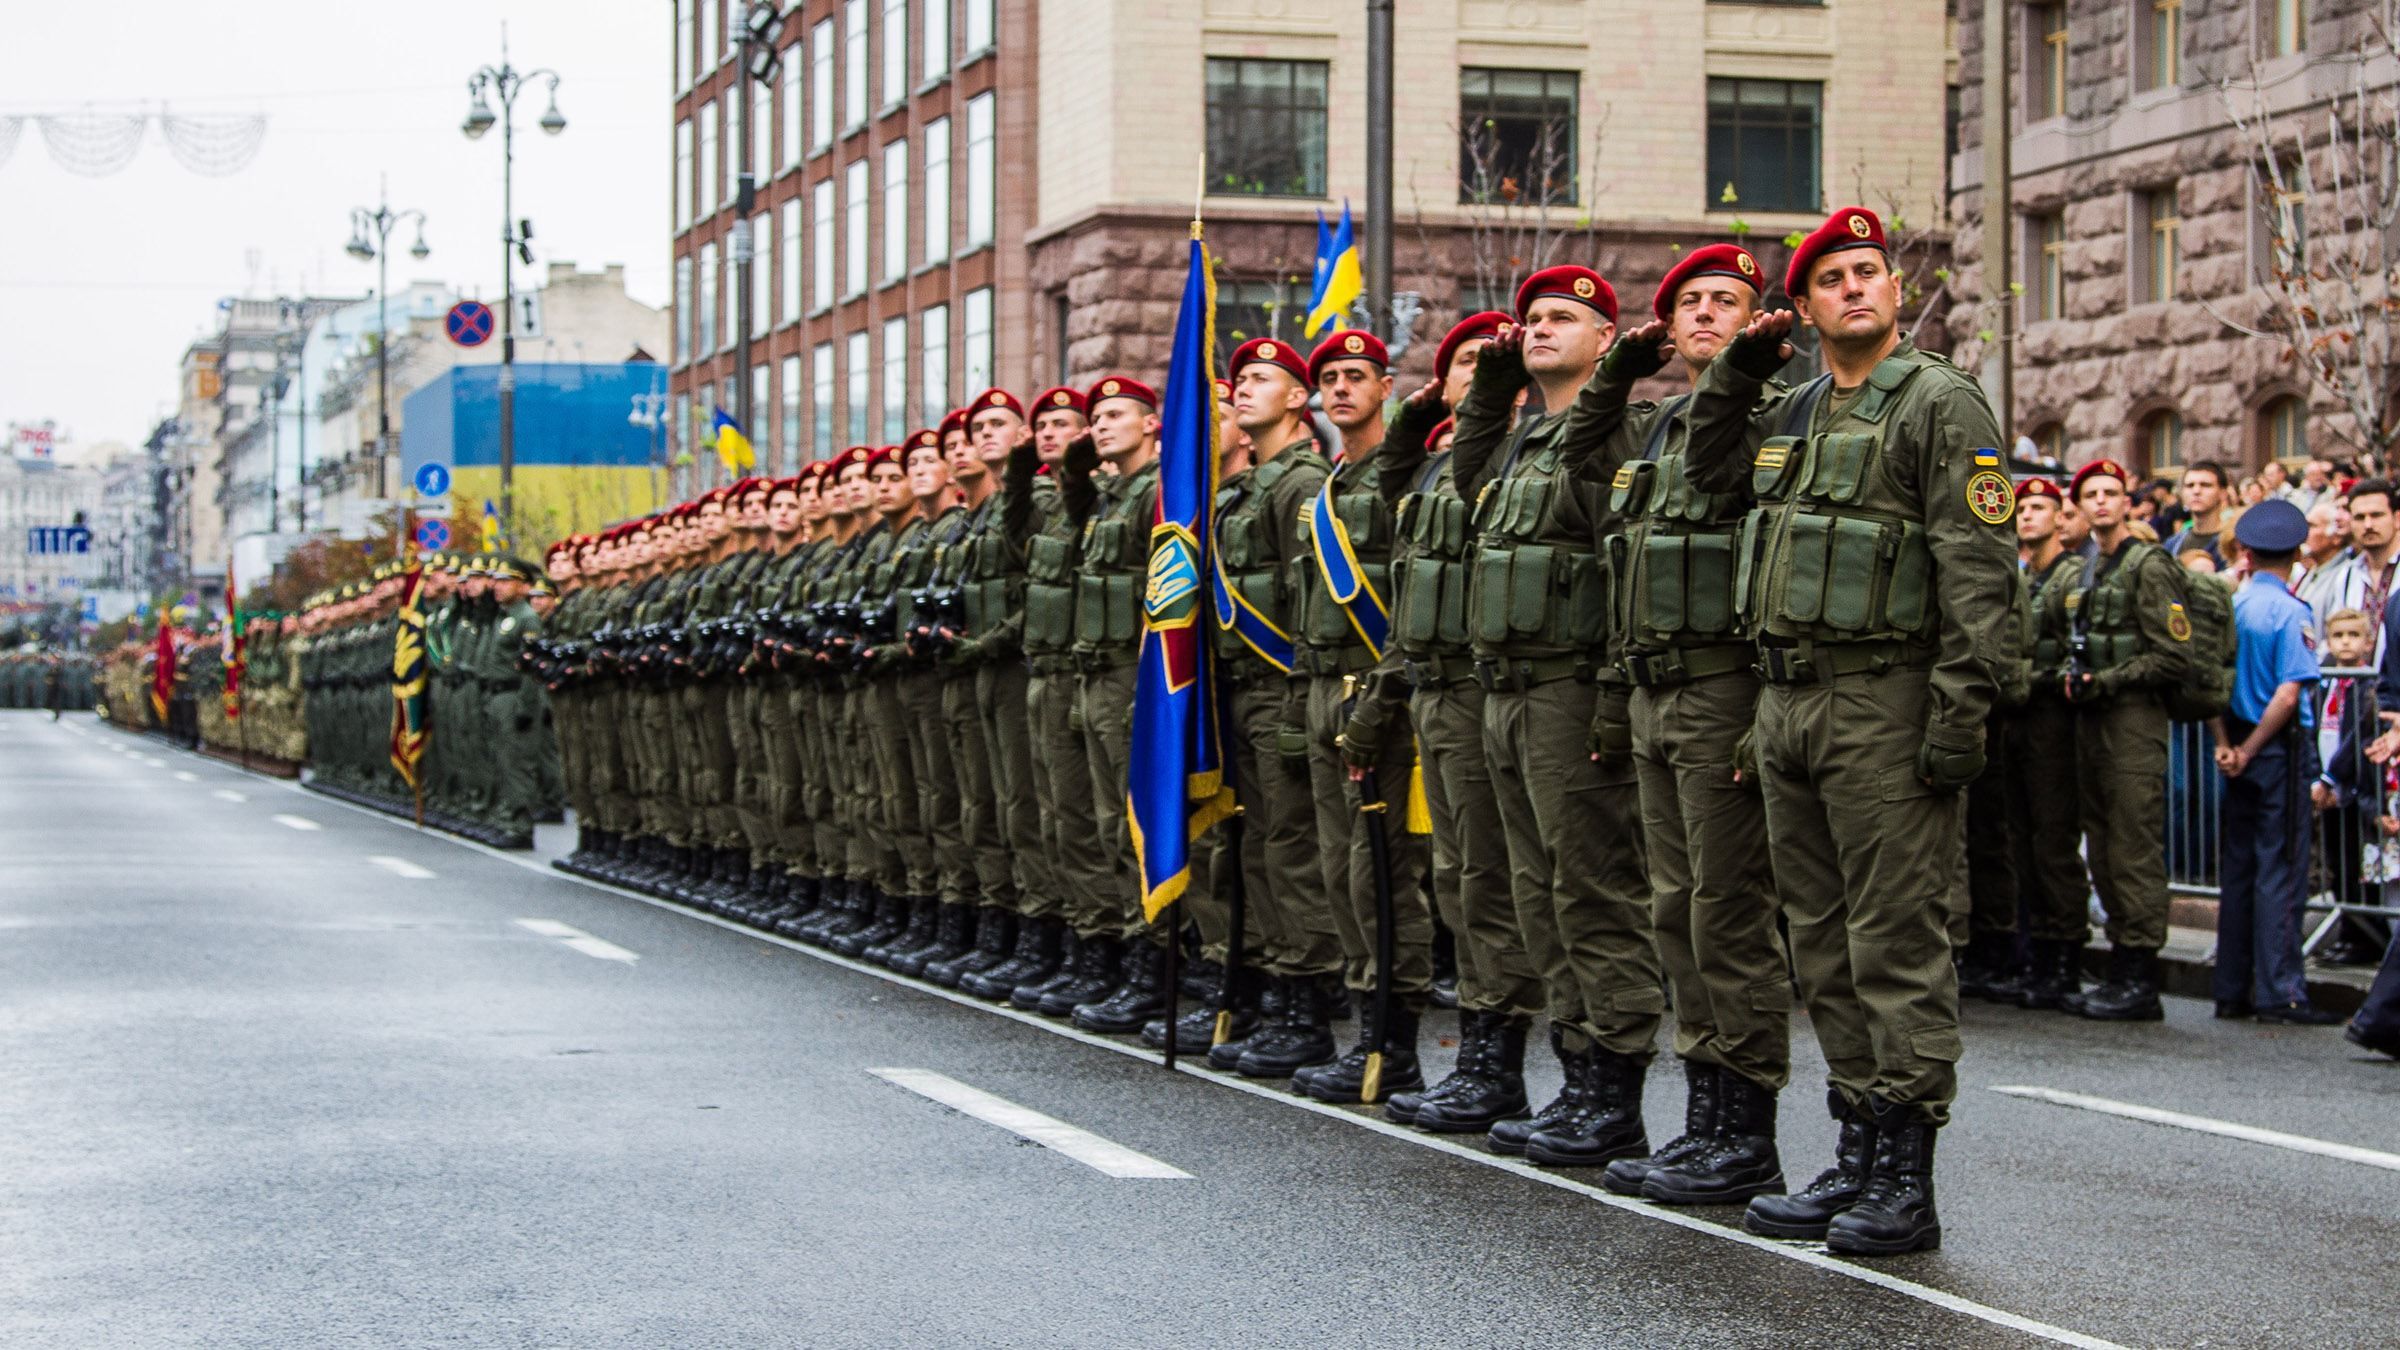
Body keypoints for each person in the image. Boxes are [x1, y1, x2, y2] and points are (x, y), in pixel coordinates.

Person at [1688, 206, 2019, 1257]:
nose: (1857, 290)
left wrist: (1961, 716)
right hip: (1788, 700)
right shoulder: (1791, 407)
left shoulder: (1937, 403)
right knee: (1821, 947)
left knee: (1895, 943)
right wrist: (1737, 373)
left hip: (1886, 699)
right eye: (1833, 279)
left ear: (1896, 288)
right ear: (1804, 306)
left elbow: (1981, 575)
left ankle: (1906, 1176)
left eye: (1870, 272)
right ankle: (1858, 1148)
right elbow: (1707, 481)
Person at [1543, 244, 1793, 1203]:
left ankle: (1747, 1124)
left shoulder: (1770, 422)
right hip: (1651, 690)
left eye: (1725, 301)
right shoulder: (1654, 427)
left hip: (1722, 686)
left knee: (1728, 912)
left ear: (1758, 320)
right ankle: (1705, 1116)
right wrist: (1617, 367)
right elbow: (1579, 466)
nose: (1702, 315)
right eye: (1687, 302)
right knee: (1677, 911)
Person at [2215, 499, 2338, 1024]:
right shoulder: (2292, 611)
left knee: (2238, 869)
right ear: (2296, 553)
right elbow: (2289, 693)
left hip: (2236, 741)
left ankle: (2231, 987)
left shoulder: (2231, 608)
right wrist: (2252, 748)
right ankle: (2279, 990)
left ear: (2245, 552)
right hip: (2276, 748)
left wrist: (2226, 744)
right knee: (2280, 870)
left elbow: (2210, 683)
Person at [2011, 477, 2097, 1009]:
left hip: (2054, 722)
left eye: (2039, 507)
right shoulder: (2022, 578)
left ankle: (2066, 953)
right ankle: (2039, 952)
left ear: (2060, 518)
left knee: (2054, 842)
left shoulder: (2073, 576)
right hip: (2020, 721)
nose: (2027, 516)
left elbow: (2073, 652)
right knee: (2023, 841)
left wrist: (2028, 676)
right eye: (2022, 507)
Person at [2163, 462, 2229, 568]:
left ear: (2223, 493)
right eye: (2190, 486)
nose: (2196, 491)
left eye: (2205, 485)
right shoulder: (2172, 544)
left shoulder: (2232, 544)